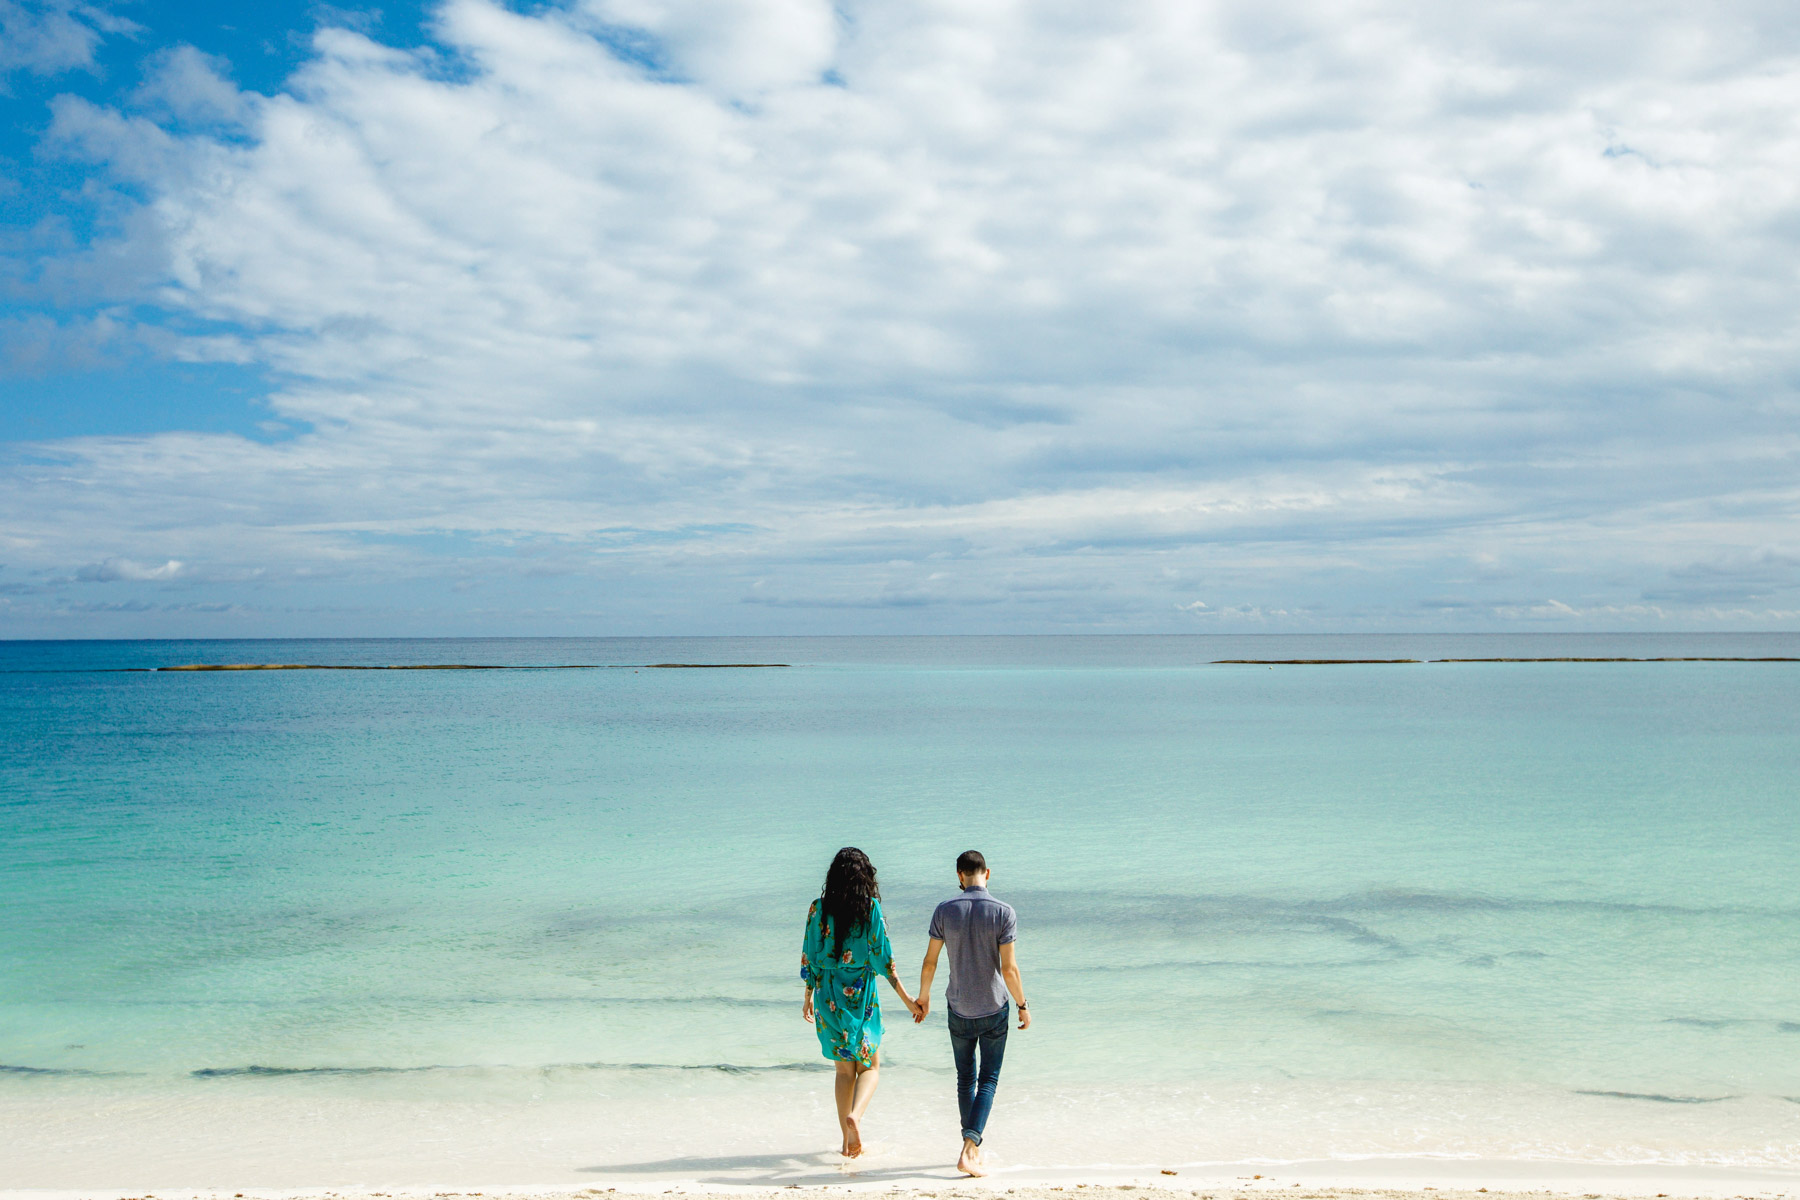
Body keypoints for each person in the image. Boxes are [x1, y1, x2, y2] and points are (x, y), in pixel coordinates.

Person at [914, 849, 1030, 1177]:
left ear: (959, 876)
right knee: (988, 1079)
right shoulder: (1004, 912)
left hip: (959, 1007)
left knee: (965, 1078)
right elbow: (1009, 970)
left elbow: (930, 961)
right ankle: (970, 1146)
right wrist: (1022, 1006)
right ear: (987, 873)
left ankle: (970, 1146)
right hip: (994, 1007)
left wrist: (923, 997)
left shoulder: (944, 911)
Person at [800, 846, 922, 1158]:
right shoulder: (871, 910)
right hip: (861, 996)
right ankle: (857, 1115)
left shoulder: (817, 908)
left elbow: (810, 956)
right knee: (870, 1066)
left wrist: (808, 996)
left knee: (843, 1072)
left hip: (828, 997)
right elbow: (885, 961)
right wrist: (909, 999)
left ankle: (845, 1141)